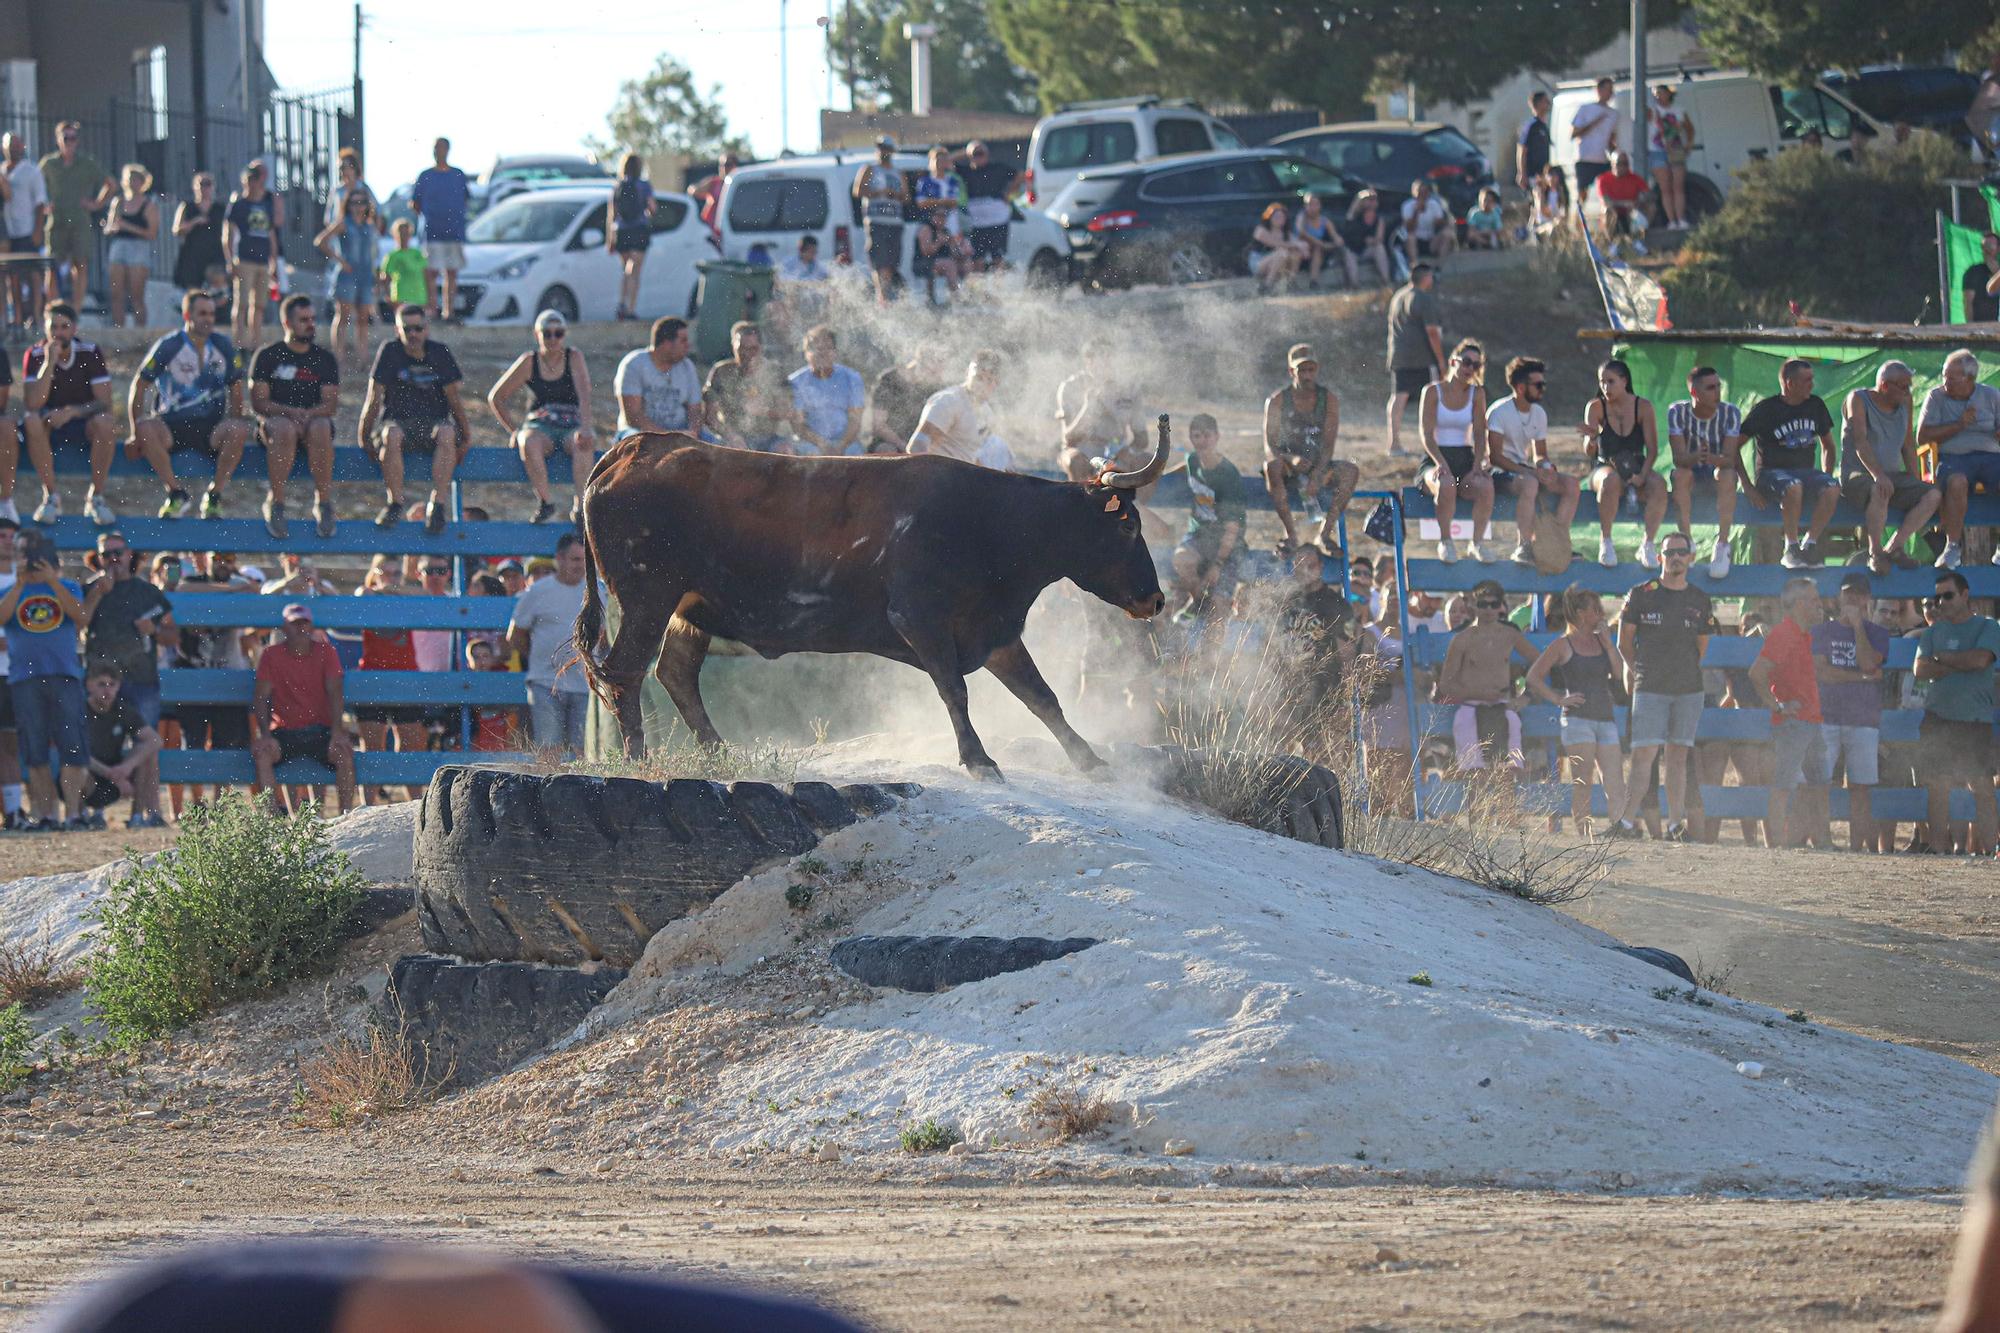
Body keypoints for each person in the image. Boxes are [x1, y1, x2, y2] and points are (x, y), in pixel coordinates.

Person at [1612, 531, 1717, 841]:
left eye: (1682, 552)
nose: (1676, 557)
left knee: (1677, 756)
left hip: (1687, 687)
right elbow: (1624, 643)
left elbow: (1702, 645)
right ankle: (1627, 823)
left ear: (1691, 558)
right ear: (1659, 557)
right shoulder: (1641, 593)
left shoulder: (1699, 597)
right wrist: (1638, 671)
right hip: (1650, 686)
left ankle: (1675, 825)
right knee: (1643, 755)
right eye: (1670, 552)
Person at [127, 290, 249, 522]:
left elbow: (236, 389)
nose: (208, 319)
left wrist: (236, 419)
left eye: (212, 314)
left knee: (239, 429)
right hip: (171, 427)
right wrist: (134, 432)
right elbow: (139, 384)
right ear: (187, 315)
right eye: (202, 313)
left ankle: (214, 496)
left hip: (210, 428)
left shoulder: (223, 345)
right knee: (145, 428)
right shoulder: (169, 345)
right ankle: (175, 493)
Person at [0, 530, 93, 829]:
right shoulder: (11, 591)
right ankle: (45, 814)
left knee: (73, 748)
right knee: (34, 750)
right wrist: (20, 584)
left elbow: (81, 617)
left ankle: (75, 813)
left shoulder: (66, 586)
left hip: (64, 676)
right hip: (24, 678)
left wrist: (52, 581)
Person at [1525, 584, 1631, 838]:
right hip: (1577, 720)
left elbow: (1618, 673)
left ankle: (1620, 826)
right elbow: (1534, 677)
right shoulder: (1563, 644)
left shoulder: (1601, 642)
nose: (1601, 615)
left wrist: (1608, 644)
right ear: (1582, 613)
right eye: (1596, 610)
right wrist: (1558, 698)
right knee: (1582, 778)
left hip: (1604, 717)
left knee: (1614, 777)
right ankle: (1584, 832)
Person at [80, 531, 174, 813]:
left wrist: (155, 630)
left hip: (140, 679)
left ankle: (147, 813)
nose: (113, 560)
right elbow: (78, 623)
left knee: (146, 746)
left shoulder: (148, 592)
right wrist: (98, 591)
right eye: (106, 555)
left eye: (118, 553)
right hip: (101, 681)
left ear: (129, 555)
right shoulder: (88, 588)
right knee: (90, 744)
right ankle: (92, 810)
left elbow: (173, 636)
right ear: (97, 559)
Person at [358, 303, 471, 533]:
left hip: (433, 422)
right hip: (398, 421)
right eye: (407, 329)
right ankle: (395, 503)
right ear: (397, 330)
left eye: (418, 328)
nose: (413, 335)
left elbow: (454, 398)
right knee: (391, 434)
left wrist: (466, 435)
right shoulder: (390, 351)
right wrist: (364, 435)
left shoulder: (439, 352)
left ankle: (438, 505)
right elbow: (374, 397)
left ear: (426, 329)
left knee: (447, 433)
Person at [1914, 568, 2000, 855]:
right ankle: (1939, 851)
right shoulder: (1933, 631)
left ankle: (1991, 851)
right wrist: (1957, 664)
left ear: (1965, 595)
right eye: (1937, 598)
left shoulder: (1988, 627)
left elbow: (1980, 660)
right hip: (1938, 718)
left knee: (1982, 787)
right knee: (1937, 787)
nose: (1941, 602)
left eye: (1948, 595)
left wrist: (1944, 660)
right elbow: (1920, 669)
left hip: (1974, 720)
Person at [489, 309, 597, 524]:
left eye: (558, 333)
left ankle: (581, 505)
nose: (553, 339)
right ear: (537, 334)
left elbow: (584, 394)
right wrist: (514, 430)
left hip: (571, 423)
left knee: (583, 444)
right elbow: (496, 397)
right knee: (528, 442)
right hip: (540, 425)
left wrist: (586, 427)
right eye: (547, 333)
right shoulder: (530, 361)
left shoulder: (573, 357)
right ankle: (546, 501)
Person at [1748, 577, 1832, 850]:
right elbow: (1757, 672)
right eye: (1814, 600)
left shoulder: (1801, 634)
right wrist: (1777, 706)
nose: (1820, 604)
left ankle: (1819, 841)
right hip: (1795, 723)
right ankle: (1778, 846)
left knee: (1815, 786)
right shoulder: (1784, 634)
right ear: (1798, 604)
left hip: (1809, 721)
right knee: (1785, 785)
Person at [250, 294, 341, 541]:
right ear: (287, 322)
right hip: (276, 425)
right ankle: (276, 502)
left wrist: (307, 414)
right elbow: (259, 402)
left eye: (312, 319)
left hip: (313, 423)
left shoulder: (324, 359)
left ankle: (323, 503)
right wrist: (290, 413)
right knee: (283, 429)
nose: (311, 324)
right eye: (303, 320)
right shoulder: (268, 356)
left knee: (322, 426)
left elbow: (330, 404)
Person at [250, 602, 356, 814]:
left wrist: (336, 732)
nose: (300, 628)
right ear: (284, 628)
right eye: (294, 624)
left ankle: (346, 816)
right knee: (263, 752)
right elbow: (261, 697)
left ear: (311, 626)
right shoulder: (272, 655)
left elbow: (335, 693)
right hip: (285, 730)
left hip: (320, 729)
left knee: (343, 751)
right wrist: (264, 734)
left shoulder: (326, 652)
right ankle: (270, 819)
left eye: (304, 623)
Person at [1812, 571, 1890, 854]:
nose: (1853, 599)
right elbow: (1822, 673)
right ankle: (1823, 842)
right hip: (1827, 716)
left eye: (1859, 594)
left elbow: (1869, 663)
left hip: (1863, 720)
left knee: (1860, 787)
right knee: (1820, 783)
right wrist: (1860, 678)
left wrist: (1858, 627)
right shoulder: (1821, 631)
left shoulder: (1878, 633)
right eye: (1848, 593)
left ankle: (1857, 848)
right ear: (1839, 597)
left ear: (1868, 599)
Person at [1840, 360, 1939, 574]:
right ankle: (1875, 553)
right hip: (1860, 475)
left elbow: (1907, 444)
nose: (1908, 391)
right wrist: (1878, 475)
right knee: (1880, 489)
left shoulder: (1906, 402)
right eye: (1903, 386)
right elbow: (1860, 442)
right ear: (1885, 386)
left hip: (1894, 476)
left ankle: (1894, 546)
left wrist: (1915, 480)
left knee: (1933, 495)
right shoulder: (1858, 399)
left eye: (1909, 386)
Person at [20, 303, 115, 525]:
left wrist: (73, 412)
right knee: (31, 420)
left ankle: (96, 497)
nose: (59, 333)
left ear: (74, 329)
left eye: (65, 327)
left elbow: (104, 401)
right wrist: (49, 362)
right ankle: (51, 496)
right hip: (48, 424)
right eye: (54, 327)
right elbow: (33, 403)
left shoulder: (89, 352)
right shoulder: (34, 355)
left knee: (106, 423)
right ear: (45, 328)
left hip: (83, 422)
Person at [1741, 357, 1839, 569]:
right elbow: (1732, 448)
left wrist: (1825, 477)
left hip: (1805, 473)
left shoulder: (1815, 405)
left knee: (1832, 488)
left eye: (1812, 379)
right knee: (1793, 486)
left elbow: (1829, 446)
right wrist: (1748, 487)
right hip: (1771, 475)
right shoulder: (1766, 409)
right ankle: (1791, 548)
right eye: (1806, 380)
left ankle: (1810, 544)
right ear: (1789, 383)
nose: (1812, 384)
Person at [1262, 343, 1355, 556]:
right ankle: (1291, 535)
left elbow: (1329, 443)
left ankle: (1324, 534)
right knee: (1272, 466)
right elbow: (1269, 444)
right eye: (1301, 370)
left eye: (1310, 370)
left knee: (1350, 472)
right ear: (1291, 371)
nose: (1306, 375)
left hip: (1317, 463)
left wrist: (1318, 473)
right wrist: (1290, 460)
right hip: (1287, 464)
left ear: (1317, 370)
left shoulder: (1328, 399)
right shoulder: (1278, 400)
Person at [1486, 355, 1580, 565]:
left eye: (1543, 384)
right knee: (1530, 483)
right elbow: (1495, 457)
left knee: (1571, 484)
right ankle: (1524, 546)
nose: (1542, 389)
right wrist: (1530, 472)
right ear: (1520, 388)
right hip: (1497, 472)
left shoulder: (1539, 413)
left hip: (1524, 471)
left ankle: (1555, 543)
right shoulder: (1499, 412)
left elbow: (1540, 453)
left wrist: (1546, 468)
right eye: (1538, 385)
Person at [507, 531, 592, 758]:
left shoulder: (597, 590)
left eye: (585, 559)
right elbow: (515, 635)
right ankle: (547, 791)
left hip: (584, 683)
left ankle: (583, 793)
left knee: (584, 750)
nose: (581, 565)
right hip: (546, 681)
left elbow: (604, 635)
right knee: (549, 749)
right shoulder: (538, 591)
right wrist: (539, 657)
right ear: (560, 559)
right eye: (576, 559)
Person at [1438, 578, 1534, 778]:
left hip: (1503, 709)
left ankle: (1507, 810)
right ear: (1473, 605)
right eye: (1483, 604)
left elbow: (1540, 663)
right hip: (1471, 710)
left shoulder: (1510, 635)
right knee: (1475, 776)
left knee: (1509, 773)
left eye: (1494, 604)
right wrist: (1479, 693)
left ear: (1500, 606)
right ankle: (1477, 810)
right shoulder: (1462, 639)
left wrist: (1526, 696)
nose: (1488, 610)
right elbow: (1446, 685)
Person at [1917, 348, 2000, 570]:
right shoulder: (1936, 397)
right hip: (1953, 456)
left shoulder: (1991, 396)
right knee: (1956, 482)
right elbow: (1922, 436)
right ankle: (1952, 546)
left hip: (1991, 456)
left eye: (1951, 378)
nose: (1946, 383)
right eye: (1944, 375)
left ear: (1969, 379)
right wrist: (1959, 425)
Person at [1666, 364, 1750, 579]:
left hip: (1716, 473)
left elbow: (1729, 460)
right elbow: (1679, 459)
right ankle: (1687, 541)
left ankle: (1722, 545)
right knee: (1680, 475)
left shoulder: (1730, 412)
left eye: (1718, 386)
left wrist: (1709, 458)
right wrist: (1697, 457)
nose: (1717, 392)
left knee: (1726, 475)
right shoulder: (1677, 412)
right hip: (1691, 473)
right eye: (1710, 388)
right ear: (1694, 392)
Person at [1582, 358, 1667, 569]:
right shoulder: (1595, 407)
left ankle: (1647, 543)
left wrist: (1643, 475)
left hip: (1636, 464)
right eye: (1602, 382)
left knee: (1659, 485)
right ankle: (1606, 541)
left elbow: (1653, 450)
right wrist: (1592, 438)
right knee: (1610, 481)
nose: (1605, 387)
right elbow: (1589, 452)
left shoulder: (1643, 407)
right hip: (1605, 465)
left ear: (1624, 380)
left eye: (1610, 382)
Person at [1420, 339, 1494, 564]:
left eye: (1476, 366)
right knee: (1446, 483)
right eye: (1466, 362)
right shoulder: (1433, 391)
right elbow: (1426, 434)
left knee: (1486, 486)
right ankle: (1445, 541)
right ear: (1454, 361)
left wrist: (1476, 466)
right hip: (1436, 456)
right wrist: (1440, 462)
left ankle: (1477, 542)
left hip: (1464, 456)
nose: (1470, 369)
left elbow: (1480, 434)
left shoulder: (1476, 394)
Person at [1168, 413, 1244, 622]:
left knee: (1220, 606)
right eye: (1197, 436)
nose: (1202, 441)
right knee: (1181, 559)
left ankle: (1216, 651)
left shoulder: (1228, 475)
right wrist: (1161, 476)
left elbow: (1232, 529)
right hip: (1199, 535)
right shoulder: (1192, 459)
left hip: (1227, 543)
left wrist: (1218, 564)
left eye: (1207, 435)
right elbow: (1187, 466)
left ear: (1217, 437)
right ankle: (1199, 600)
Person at [37, 121, 114, 312]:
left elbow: (111, 184)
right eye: (66, 137)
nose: (70, 142)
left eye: (73, 138)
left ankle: (75, 311)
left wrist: (96, 204)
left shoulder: (87, 163)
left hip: (80, 221)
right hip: (56, 221)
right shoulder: (48, 163)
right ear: (58, 140)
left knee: (80, 264)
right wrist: (44, 204)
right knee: (52, 267)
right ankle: (52, 311)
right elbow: (36, 186)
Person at [79, 661, 161, 830]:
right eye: (101, 684)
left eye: (112, 685)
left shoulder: (123, 709)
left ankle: (137, 817)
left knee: (148, 756)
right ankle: (83, 816)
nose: (107, 690)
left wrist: (126, 767)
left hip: (116, 771)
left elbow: (155, 740)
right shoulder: (79, 711)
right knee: (75, 766)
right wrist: (111, 774)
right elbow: (74, 750)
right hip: (90, 771)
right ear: (89, 685)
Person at [1055, 338, 1147, 483]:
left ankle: (1135, 504)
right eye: (1102, 357)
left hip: (1116, 450)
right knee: (1075, 460)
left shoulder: (1128, 389)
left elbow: (1142, 439)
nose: (1108, 362)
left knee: (1146, 461)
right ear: (1088, 361)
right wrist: (1088, 406)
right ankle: (1079, 502)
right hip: (1082, 450)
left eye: (1111, 357)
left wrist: (1128, 451)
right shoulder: (1071, 387)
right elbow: (1068, 438)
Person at [222, 160, 284, 349]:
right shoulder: (238, 205)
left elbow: (271, 234)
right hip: (244, 260)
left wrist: (273, 261)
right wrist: (230, 259)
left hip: (262, 260)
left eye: (256, 179)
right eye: (250, 178)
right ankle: (239, 343)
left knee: (259, 305)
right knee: (241, 304)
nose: (253, 182)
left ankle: (255, 343)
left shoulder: (266, 205)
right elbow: (228, 234)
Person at [314, 185, 379, 363]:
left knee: (364, 318)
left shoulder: (369, 225)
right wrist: (341, 261)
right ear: (348, 204)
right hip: (347, 275)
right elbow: (320, 241)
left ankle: (362, 356)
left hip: (365, 276)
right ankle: (339, 356)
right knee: (343, 315)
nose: (358, 206)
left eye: (362, 202)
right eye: (354, 202)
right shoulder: (343, 223)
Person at [1384, 262, 1443, 457]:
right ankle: (1435, 444)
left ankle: (1394, 443)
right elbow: (1432, 332)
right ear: (1426, 278)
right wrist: (1441, 360)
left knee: (1398, 397)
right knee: (1434, 398)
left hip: (1398, 355)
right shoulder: (1423, 298)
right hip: (1422, 357)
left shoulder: (1398, 296)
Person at [703, 321, 789, 453]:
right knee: (732, 451)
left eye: (753, 349)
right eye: (742, 348)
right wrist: (731, 435)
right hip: (735, 436)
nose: (747, 354)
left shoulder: (775, 372)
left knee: (786, 451)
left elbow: (788, 412)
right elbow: (710, 417)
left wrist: (764, 411)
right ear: (733, 346)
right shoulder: (722, 372)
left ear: (761, 348)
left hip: (769, 437)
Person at [410, 137, 471, 320]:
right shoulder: (425, 175)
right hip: (432, 231)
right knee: (431, 271)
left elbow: (466, 199)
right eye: (436, 148)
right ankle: (432, 310)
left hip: (453, 231)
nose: (438, 152)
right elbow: (415, 203)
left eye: (442, 148)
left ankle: (449, 311)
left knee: (451, 272)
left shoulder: (458, 174)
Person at [614, 316, 703, 441]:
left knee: (719, 446)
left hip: (682, 433)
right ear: (667, 344)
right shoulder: (634, 364)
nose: (688, 345)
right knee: (634, 441)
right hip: (643, 433)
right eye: (683, 341)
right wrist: (669, 437)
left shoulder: (687, 366)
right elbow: (633, 417)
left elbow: (695, 410)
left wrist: (693, 433)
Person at [910, 350, 1002, 464]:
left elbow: (971, 454)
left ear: (996, 383)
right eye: (979, 377)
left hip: (965, 476)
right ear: (967, 373)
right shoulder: (948, 401)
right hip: (940, 474)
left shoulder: (987, 412)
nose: (982, 384)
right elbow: (917, 446)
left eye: (989, 380)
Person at [785, 326, 866, 456]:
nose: (822, 354)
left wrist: (841, 445)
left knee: (857, 457)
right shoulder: (796, 382)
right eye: (817, 349)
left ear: (835, 352)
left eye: (828, 348)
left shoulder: (852, 378)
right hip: (810, 443)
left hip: (846, 442)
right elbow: (798, 425)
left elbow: (855, 420)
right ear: (806, 353)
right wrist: (822, 444)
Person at [852, 137, 908, 305]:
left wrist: (894, 194)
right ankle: (882, 297)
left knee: (892, 262)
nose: (883, 152)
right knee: (880, 260)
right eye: (880, 148)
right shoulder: (870, 169)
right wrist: (878, 192)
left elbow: (906, 197)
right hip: (877, 220)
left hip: (895, 221)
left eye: (886, 148)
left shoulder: (898, 173)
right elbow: (858, 191)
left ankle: (887, 295)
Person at [102, 163, 157, 329]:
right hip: (119, 246)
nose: (133, 183)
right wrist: (111, 227)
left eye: (137, 179)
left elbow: (151, 234)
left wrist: (128, 226)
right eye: (130, 179)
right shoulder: (118, 202)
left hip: (139, 248)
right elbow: (110, 226)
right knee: (116, 294)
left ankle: (140, 332)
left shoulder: (149, 206)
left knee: (136, 296)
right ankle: (119, 330)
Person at [951, 140, 1019, 275]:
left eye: (981, 153)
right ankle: (982, 291)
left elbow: (1020, 175)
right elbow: (946, 161)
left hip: (997, 218)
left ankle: (999, 288)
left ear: (987, 154)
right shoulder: (965, 170)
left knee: (998, 257)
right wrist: (966, 151)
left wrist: (1008, 193)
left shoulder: (997, 168)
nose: (978, 156)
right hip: (977, 221)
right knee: (977, 258)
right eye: (975, 154)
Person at [3, 133, 48, 328]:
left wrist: (38, 230)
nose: (13, 148)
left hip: (27, 230)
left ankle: (37, 315)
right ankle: (18, 316)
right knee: (12, 277)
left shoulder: (32, 171)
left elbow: (40, 203)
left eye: (17, 144)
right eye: (9, 144)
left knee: (32, 275)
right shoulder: (2, 170)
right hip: (7, 232)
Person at [606, 153, 656, 322]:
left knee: (626, 269)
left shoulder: (617, 186)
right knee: (635, 271)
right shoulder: (644, 186)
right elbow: (652, 208)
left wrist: (610, 239)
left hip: (622, 231)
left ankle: (621, 302)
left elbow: (612, 215)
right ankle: (631, 309)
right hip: (639, 229)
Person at [871, 345, 946, 455]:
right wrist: (904, 446)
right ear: (920, 362)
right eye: (933, 372)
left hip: (922, 447)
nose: (936, 377)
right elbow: (878, 425)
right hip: (891, 444)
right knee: (886, 450)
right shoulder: (889, 380)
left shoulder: (935, 388)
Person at [1647, 83, 1694, 231]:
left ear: (1668, 93)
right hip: (1656, 151)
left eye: (1660, 92)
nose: (1658, 96)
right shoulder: (1652, 111)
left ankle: (1681, 219)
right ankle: (1672, 221)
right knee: (1665, 188)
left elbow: (1689, 129)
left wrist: (1688, 146)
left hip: (1676, 149)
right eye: (1655, 94)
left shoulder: (1679, 110)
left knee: (1678, 186)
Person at [170, 171, 224, 297]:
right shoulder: (187, 207)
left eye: (208, 184)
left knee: (216, 288)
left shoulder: (220, 209)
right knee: (192, 292)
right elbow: (177, 230)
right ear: (195, 187)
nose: (205, 188)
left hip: (214, 254)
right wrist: (194, 222)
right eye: (201, 184)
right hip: (192, 255)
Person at [1592, 151, 1650, 259]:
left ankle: (1637, 242)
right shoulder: (1603, 179)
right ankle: (1613, 246)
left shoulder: (1634, 178)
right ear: (1612, 164)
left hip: (1630, 214)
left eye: (1625, 163)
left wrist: (1639, 201)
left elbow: (1648, 194)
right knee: (1608, 210)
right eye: (1619, 163)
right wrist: (1624, 204)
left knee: (1648, 208)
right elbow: (1606, 201)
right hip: (1613, 214)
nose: (1623, 167)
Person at [1571, 76, 1620, 197]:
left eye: (1611, 90)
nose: (1610, 93)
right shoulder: (1585, 109)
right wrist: (1595, 122)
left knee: (1608, 192)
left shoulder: (1613, 114)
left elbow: (1610, 140)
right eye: (1608, 89)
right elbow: (1574, 134)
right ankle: (1579, 214)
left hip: (1602, 159)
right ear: (1599, 90)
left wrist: (1617, 154)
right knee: (1583, 194)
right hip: (1585, 159)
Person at [378, 218, 428, 321]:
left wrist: (431, 297)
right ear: (395, 234)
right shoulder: (392, 256)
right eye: (400, 233)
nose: (403, 236)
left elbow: (426, 275)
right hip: (400, 295)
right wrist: (388, 296)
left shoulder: (417, 253)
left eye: (406, 233)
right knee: (402, 323)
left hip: (419, 296)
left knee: (419, 324)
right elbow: (385, 278)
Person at [1248, 202, 1306, 291]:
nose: (1280, 219)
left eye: (1282, 217)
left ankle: (1291, 283)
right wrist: (1296, 244)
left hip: (1277, 264)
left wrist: (1302, 247)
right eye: (1277, 217)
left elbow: (1302, 247)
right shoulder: (1261, 230)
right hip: (1258, 263)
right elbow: (1274, 243)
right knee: (1282, 253)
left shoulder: (1286, 233)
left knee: (1295, 253)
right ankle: (1267, 286)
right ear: (1269, 217)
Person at [1339, 191, 1391, 286]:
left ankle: (1386, 282)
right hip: (1353, 250)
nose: (1371, 203)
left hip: (1367, 250)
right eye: (1368, 200)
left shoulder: (1379, 219)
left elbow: (1379, 239)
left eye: (1373, 200)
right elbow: (1349, 236)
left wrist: (1370, 240)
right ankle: (1355, 285)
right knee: (1348, 253)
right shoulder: (1353, 217)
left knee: (1379, 248)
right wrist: (1363, 195)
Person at [1399, 181, 1455, 265]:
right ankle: (1414, 265)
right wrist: (1416, 213)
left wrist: (1440, 222)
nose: (1422, 195)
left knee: (1447, 233)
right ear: (1414, 192)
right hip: (1415, 242)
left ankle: (1439, 266)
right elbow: (1409, 228)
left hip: (1430, 241)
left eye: (1425, 191)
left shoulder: (1434, 204)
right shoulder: (1407, 206)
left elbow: (1441, 222)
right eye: (1419, 192)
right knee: (1410, 237)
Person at [690, 150, 740, 244]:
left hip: (729, 231)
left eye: (727, 164)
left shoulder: (739, 185)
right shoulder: (715, 183)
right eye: (721, 165)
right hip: (710, 231)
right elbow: (693, 191)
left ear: (735, 166)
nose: (723, 168)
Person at [1290, 193, 1340, 285]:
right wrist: (1320, 243)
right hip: (1301, 251)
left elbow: (1335, 236)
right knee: (1297, 252)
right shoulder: (1301, 217)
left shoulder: (1324, 220)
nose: (1313, 207)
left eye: (1316, 204)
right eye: (1310, 204)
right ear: (1305, 206)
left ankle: (1314, 281)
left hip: (1315, 252)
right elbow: (1301, 232)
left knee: (1318, 249)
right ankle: (1292, 282)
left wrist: (1336, 242)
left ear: (1320, 205)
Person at [1517, 90, 1553, 193]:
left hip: (1544, 174)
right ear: (1539, 104)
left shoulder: (1544, 126)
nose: (1548, 103)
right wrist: (1522, 173)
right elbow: (1522, 150)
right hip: (1533, 174)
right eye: (1546, 101)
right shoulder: (1531, 126)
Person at [1960, 231, 1999, 325]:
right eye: (1984, 247)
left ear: (1998, 249)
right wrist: (1971, 326)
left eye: (1991, 246)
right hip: (1981, 326)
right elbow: (1968, 302)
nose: (1987, 251)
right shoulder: (1973, 272)